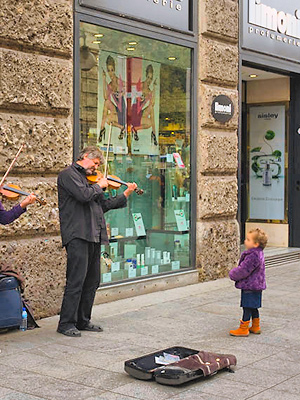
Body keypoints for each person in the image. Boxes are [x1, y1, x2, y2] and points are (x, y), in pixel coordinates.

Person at [57, 146, 137, 337]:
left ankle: (83, 320)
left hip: (94, 234)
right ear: (85, 157)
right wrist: (99, 185)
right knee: (76, 280)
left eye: (98, 165)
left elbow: (104, 205)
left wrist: (125, 194)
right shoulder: (68, 175)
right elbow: (83, 196)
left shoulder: (90, 181)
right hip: (77, 234)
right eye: (95, 163)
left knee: (93, 280)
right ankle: (66, 323)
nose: (96, 168)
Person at [229, 228, 268, 337]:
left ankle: (243, 328)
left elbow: (244, 270)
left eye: (248, 239)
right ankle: (256, 326)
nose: (245, 241)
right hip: (257, 285)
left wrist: (233, 274)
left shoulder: (252, 255)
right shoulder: (259, 253)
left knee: (247, 307)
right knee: (254, 306)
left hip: (250, 285)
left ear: (255, 244)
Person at [99, 55, 126, 142]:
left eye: (112, 70)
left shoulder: (119, 81)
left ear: (114, 70)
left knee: (107, 119)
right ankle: (103, 129)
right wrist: (104, 80)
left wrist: (123, 93)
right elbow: (105, 97)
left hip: (122, 112)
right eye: (108, 71)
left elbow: (131, 87)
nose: (110, 73)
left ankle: (103, 130)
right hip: (117, 110)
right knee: (106, 102)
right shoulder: (110, 84)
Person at [131, 64, 158, 145]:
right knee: (149, 122)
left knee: (151, 109)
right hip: (134, 112)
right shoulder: (140, 86)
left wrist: (154, 88)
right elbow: (133, 98)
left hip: (140, 112)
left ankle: (153, 132)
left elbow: (152, 103)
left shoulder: (149, 91)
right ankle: (153, 134)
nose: (149, 80)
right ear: (146, 76)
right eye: (148, 77)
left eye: (151, 78)